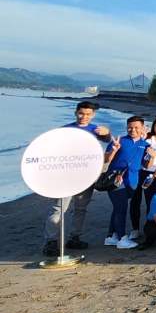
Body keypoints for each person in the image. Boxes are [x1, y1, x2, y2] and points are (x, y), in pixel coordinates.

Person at [43, 101, 112, 256]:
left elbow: (110, 141)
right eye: (81, 113)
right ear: (76, 112)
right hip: (65, 176)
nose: (84, 117)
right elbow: (50, 150)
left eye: (88, 114)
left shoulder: (96, 130)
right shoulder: (65, 130)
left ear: (93, 115)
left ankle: (74, 237)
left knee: (80, 209)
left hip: (86, 176)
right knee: (59, 209)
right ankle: (51, 241)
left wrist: (107, 132)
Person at [103, 116, 149, 249]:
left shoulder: (145, 144)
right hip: (116, 180)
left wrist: (150, 155)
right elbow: (106, 160)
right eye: (130, 127)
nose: (132, 129)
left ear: (142, 128)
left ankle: (111, 236)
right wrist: (114, 150)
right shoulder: (119, 141)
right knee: (121, 208)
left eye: (136, 127)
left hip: (133, 181)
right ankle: (122, 238)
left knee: (118, 208)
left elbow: (146, 164)